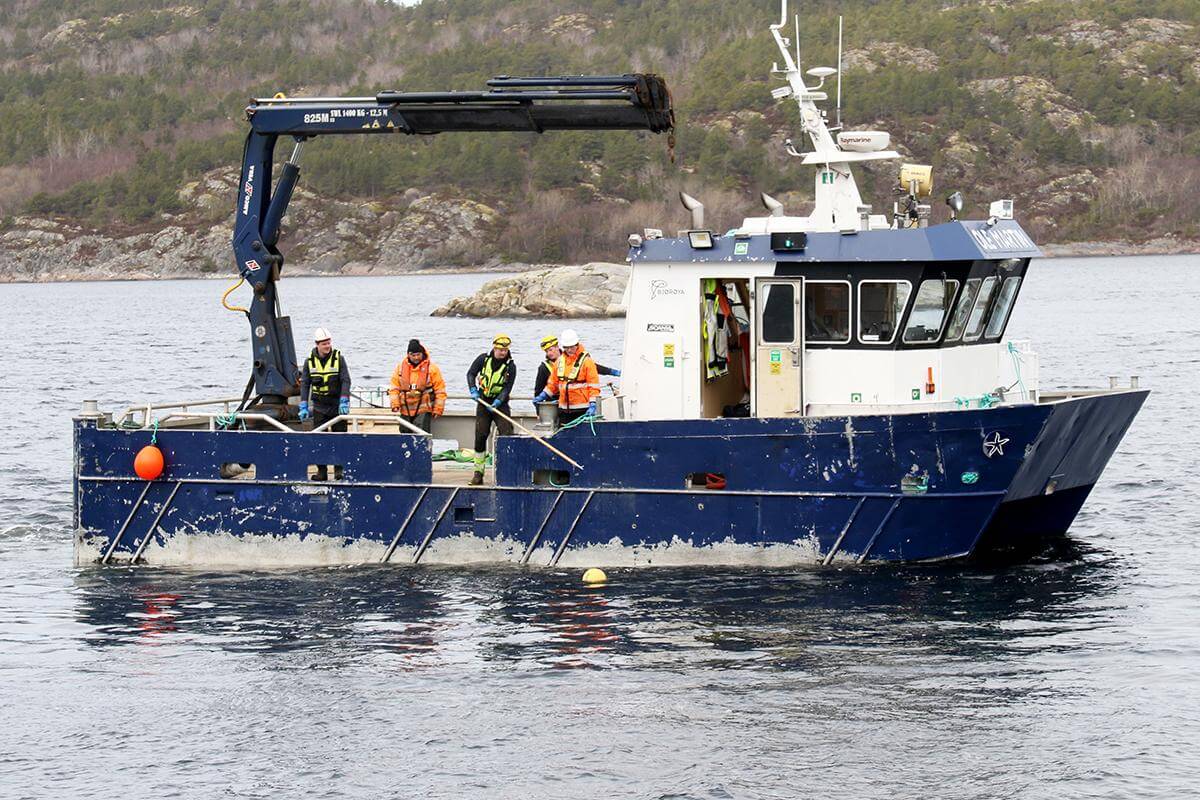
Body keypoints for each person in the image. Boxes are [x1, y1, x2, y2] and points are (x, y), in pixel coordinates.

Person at [299, 326, 351, 480]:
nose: (327, 346)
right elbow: (305, 384)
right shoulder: (309, 362)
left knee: (340, 439)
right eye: (324, 343)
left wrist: (344, 400)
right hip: (320, 407)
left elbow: (346, 380)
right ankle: (322, 471)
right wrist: (303, 405)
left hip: (336, 406)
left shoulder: (339, 359)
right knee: (319, 440)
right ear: (317, 344)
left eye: (328, 342)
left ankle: (339, 471)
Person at [465, 334, 517, 486]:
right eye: (500, 349)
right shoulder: (483, 359)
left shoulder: (510, 366)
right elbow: (471, 374)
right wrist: (473, 389)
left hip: (499, 404)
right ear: (494, 348)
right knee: (480, 435)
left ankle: (507, 471)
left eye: (505, 350)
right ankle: (478, 473)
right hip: (483, 401)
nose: (503, 352)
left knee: (506, 433)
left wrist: (499, 400)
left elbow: (508, 386)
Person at [533, 328, 600, 426]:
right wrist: (543, 395)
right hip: (564, 409)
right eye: (566, 347)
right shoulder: (560, 361)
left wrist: (593, 403)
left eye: (571, 347)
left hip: (582, 409)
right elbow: (553, 384)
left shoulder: (587, 362)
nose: (569, 350)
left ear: (577, 345)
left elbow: (593, 386)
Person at [388, 339, 446, 434]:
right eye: (413, 355)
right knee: (404, 434)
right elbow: (394, 388)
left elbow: (440, 390)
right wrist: (395, 404)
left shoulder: (432, 369)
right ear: (408, 355)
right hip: (405, 410)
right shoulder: (400, 369)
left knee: (421, 434)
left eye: (418, 354)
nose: (416, 358)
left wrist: (438, 409)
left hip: (423, 409)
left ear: (422, 353)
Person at [533, 333, 620, 396]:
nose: (549, 353)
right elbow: (539, 389)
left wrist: (612, 372)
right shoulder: (544, 367)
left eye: (551, 350)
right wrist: (539, 409)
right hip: (557, 403)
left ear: (557, 346)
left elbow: (593, 368)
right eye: (546, 351)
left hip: (577, 400)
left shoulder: (570, 357)